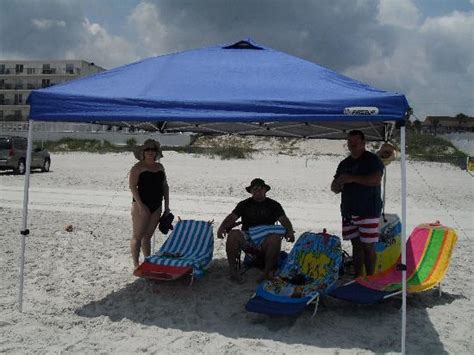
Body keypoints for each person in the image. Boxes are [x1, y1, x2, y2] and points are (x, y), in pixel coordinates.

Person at [217, 178, 295, 283]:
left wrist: (290, 231)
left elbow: (283, 219)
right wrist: (221, 228)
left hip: (265, 238)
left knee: (275, 238)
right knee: (233, 234)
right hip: (247, 236)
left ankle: (266, 273)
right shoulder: (244, 204)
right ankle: (233, 271)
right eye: (255, 189)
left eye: (260, 188)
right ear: (251, 191)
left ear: (265, 190)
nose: (257, 191)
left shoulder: (274, 205)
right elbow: (232, 217)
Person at [331, 130, 384, 277]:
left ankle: (371, 278)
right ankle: (358, 277)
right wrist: (337, 185)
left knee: (368, 246)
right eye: (350, 142)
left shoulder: (372, 160)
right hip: (348, 210)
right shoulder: (344, 163)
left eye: (355, 142)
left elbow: (375, 180)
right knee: (356, 245)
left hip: (368, 210)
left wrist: (352, 178)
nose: (352, 145)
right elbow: (334, 186)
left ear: (363, 143)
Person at [129, 139, 170, 271]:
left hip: (157, 205)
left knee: (148, 236)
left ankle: (148, 261)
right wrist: (141, 206)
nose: (150, 152)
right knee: (137, 236)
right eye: (148, 150)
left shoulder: (160, 167)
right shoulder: (137, 167)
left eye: (153, 149)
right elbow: (132, 187)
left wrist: (167, 206)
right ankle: (136, 264)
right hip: (141, 204)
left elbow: (165, 186)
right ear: (143, 152)